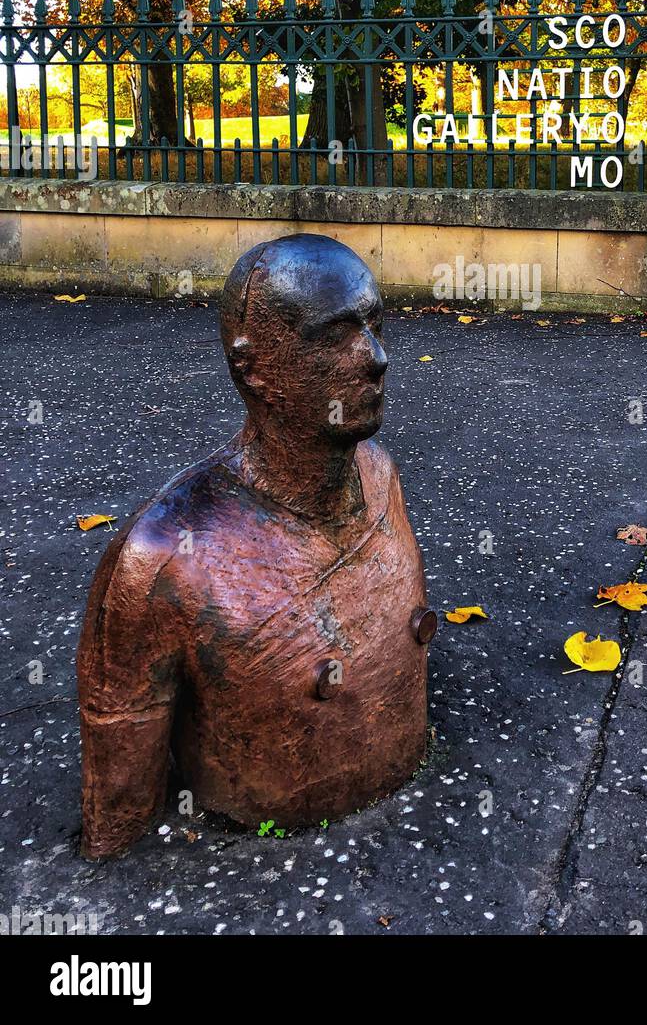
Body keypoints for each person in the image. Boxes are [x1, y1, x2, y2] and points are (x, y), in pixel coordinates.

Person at [77, 234, 433, 859]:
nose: (376, 357)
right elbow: (118, 810)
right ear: (252, 367)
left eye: (375, 325)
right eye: (335, 335)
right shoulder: (165, 558)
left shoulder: (379, 474)